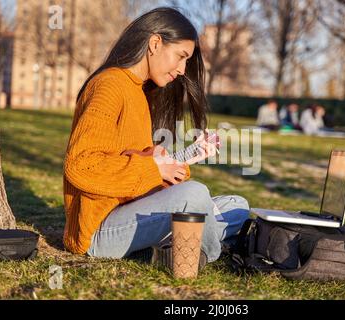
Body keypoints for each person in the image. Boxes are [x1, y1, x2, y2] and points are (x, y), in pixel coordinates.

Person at [63, 8, 250, 268]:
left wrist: (185, 157)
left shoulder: (139, 92)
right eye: (181, 56)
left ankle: (173, 244)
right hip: (99, 231)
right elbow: (81, 167)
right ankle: (205, 252)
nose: (183, 69)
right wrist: (154, 167)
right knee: (195, 195)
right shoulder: (109, 86)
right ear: (155, 43)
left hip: (132, 209)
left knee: (237, 205)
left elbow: (139, 164)